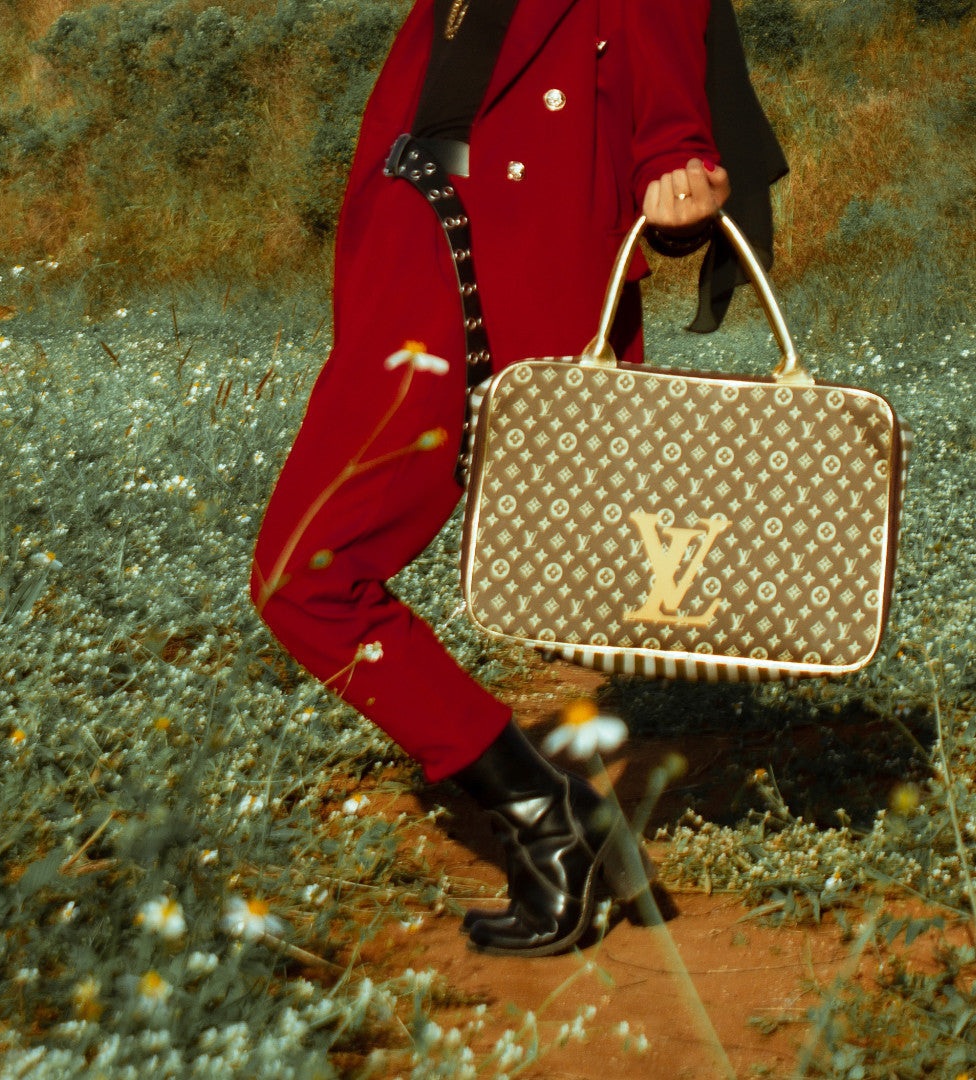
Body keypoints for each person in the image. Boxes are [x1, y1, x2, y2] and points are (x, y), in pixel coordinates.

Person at [248, 0, 787, 957]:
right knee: (312, 574)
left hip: (477, 287)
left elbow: (668, 111)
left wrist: (675, 161)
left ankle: (546, 815)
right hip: (411, 266)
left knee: (307, 576)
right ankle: (558, 806)